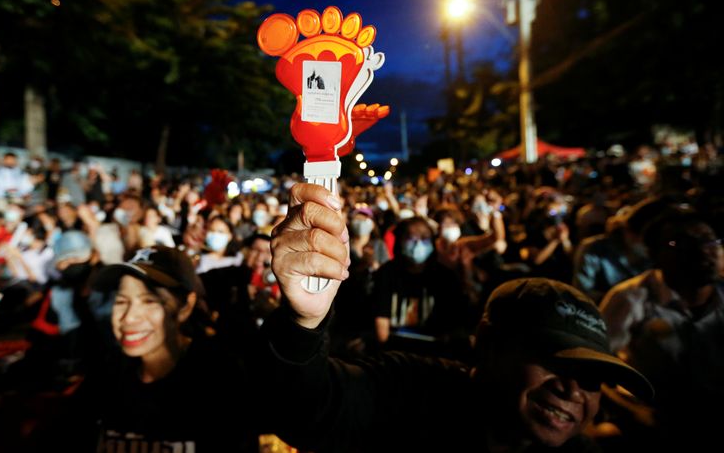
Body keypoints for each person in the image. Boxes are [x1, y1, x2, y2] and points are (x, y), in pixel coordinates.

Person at [257, 183, 653, 452]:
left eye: (592, 378)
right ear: (488, 344)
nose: (571, 390)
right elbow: (305, 409)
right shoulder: (410, 392)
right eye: (552, 361)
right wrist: (301, 323)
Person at [55, 245, 259, 452]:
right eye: (122, 301)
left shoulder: (220, 380)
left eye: (149, 300)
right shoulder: (106, 373)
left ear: (185, 306)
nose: (129, 318)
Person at [598, 208, 723, 449]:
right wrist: (634, 412)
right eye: (680, 244)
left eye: (709, 240)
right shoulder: (630, 299)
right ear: (655, 254)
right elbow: (593, 370)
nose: (702, 251)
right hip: (655, 422)